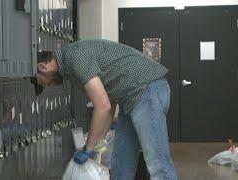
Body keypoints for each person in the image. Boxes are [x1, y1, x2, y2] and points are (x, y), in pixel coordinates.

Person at [36, 39, 177, 180]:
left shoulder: (74, 57)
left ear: (42, 67)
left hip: (146, 89)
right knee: (121, 164)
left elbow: (102, 106)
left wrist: (88, 148)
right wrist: (99, 143)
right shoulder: (70, 66)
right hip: (128, 99)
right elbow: (109, 103)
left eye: (43, 82)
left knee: (158, 164)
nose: (48, 85)